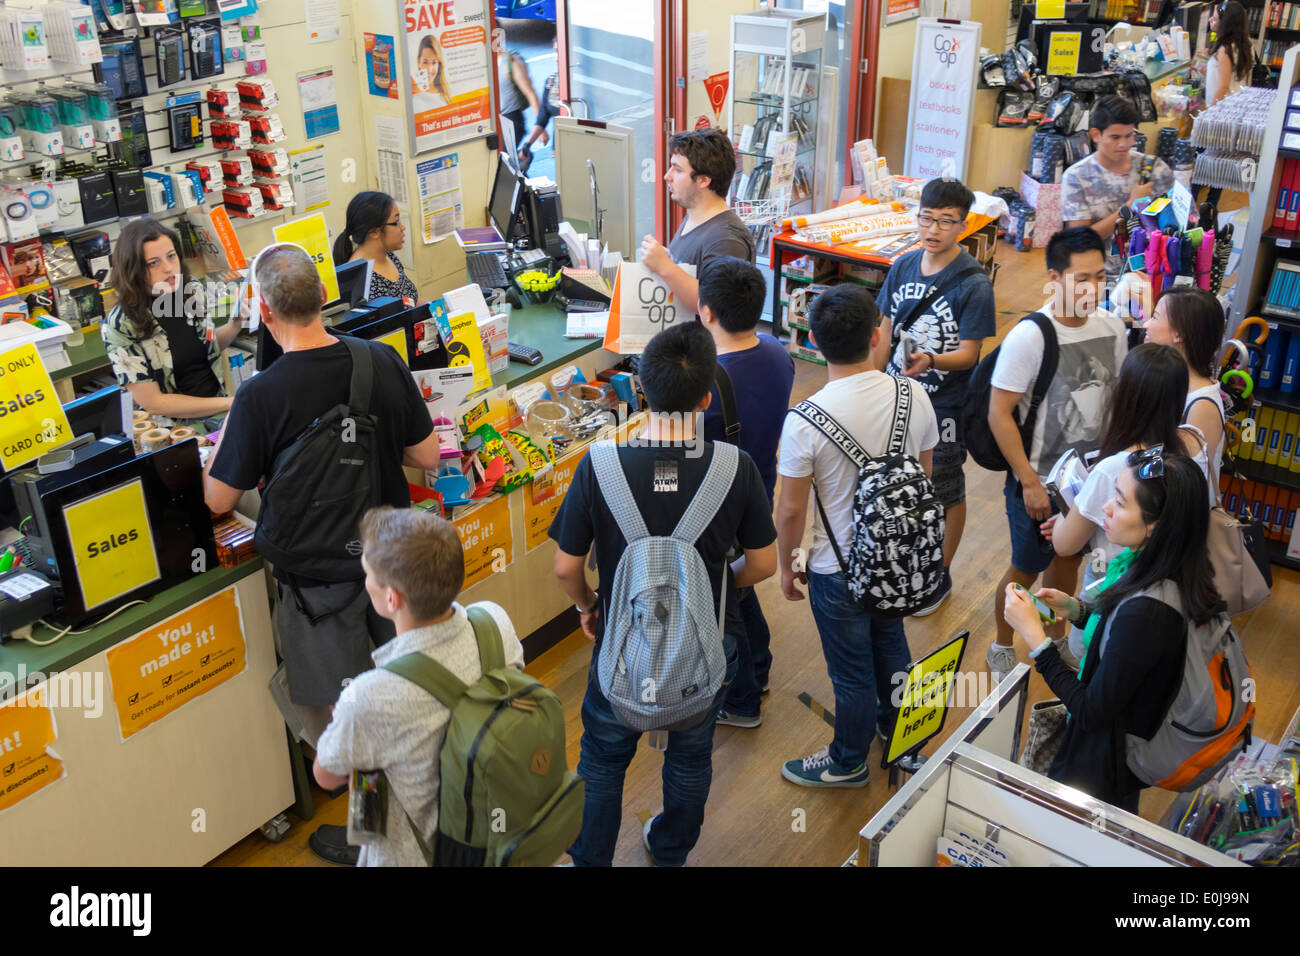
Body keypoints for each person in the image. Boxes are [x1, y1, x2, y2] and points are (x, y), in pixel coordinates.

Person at [202, 244, 442, 865]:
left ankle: (377, 840)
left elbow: (218, 497)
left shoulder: (259, 394)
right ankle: (419, 821)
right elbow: (427, 457)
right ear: (322, 298)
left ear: (261, 308)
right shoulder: (378, 361)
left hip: (317, 589)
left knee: (352, 719)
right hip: (389, 567)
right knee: (403, 693)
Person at [549, 322, 777, 866]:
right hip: (705, 646)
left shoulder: (600, 465)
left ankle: (592, 857)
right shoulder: (734, 467)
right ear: (705, 398)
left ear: (642, 389)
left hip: (619, 646)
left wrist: (588, 606)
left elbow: (565, 568)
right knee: (692, 758)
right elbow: (765, 563)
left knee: (602, 761)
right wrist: (718, 587)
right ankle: (670, 848)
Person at [775, 284, 939, 787]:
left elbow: (789, 512)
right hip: (898, 558)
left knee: (850, 672)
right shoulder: (913, 392)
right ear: (876, 335)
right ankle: (903, 740)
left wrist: (788, 564)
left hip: (835, 567)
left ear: (814, 341)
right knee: (892, 642)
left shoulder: (804, 421)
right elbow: (925, 476)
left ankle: (848, 760)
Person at [1004, 451, 1221, 812]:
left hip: (1102, 767)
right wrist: (1077, 609)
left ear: (1154, 525)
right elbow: (1120, 636)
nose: (1105, 508)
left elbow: (1091, 712)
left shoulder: (1149, 610)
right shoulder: (1152, 565)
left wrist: (1036, 640)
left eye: (1120, 502)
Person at [312, 506, 524, 867]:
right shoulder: (494, 621)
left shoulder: (369, 696)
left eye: (367, 574)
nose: (365, 582)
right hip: (502, 833)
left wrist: (350, 718)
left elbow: (327, 775)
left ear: (391, 598)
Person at [986, 227, 1128, 683]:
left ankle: (1059, 637)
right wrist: (1028, 480)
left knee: (1066, 561)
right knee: (1025, 568)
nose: (1093, 288)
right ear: (1054, 277)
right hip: (1039, 480)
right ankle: (1002, 644)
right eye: (1081, 278)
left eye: (1100, 277)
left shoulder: (1113, 328)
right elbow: (999, 414)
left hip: (1087, 482)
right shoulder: (1030, 337)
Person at [877, 177, 996, 612]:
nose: (934, 229)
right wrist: (871, 385)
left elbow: (969, 354)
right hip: (897, 394)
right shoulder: (903, 266)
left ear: (963, 226)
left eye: (946, 221)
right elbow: (884, 333)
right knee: (894, 478)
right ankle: (902, 559)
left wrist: (930, 360)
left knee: (945, 488)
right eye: (927, 218)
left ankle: (937, 577)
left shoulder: (973, 284)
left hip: (944, 403)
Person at [1044, 343, 1201, 666]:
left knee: (1093, 681)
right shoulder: (1186, 452)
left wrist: (1066, 516)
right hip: (1163, 595)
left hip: (1109, 597)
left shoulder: (1116, 468)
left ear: (1127, 397)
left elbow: (1064, 543)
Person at [697, 256, 795, 728]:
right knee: (735, 589)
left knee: (722, 598)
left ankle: (743, 699)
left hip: (719, 505)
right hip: (759, 487)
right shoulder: (778, 352)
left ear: (706, 312)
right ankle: (758, 668)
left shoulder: (708, 384)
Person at [102, 218, 241, 425]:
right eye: (153, 263)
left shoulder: (190, 289)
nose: (169, 268)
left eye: (171, 256)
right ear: (133, 269)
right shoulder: (119, 324)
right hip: (172, 430)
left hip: (220, 410)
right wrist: (231, 403)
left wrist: (236, 324)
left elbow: (207, 347)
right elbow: (154, 403)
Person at [641, 128, 756, 317]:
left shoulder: (726, 239)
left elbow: (716, 308)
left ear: (703, 180)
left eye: (677, 170)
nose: (667, 176)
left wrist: (664, 266)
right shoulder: (694, 217)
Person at [1062, 95, 1175, 285]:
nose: (1124, 144)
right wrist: (1129, 206)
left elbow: (1180, 221)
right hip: (1100, 278)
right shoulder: (1076, 177)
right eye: (1115, 137)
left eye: (1129, 136)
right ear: (1096, 135)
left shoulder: (1154, 168)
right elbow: (1080, 241)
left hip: (1152, 274)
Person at [1142, 287, 1228, 496]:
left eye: (1155, 316)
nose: (1146, 324)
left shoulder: (1202, 405)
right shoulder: (1171, 382)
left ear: (1179, 334)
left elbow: (1182, 482)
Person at [1198, 1, 1254, 209]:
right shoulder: (1242, 46)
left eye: (1215, 17)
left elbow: (1221, 87)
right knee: (1219, 170)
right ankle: (1210, 210)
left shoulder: (1224, 49)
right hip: (1234, 115)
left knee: (1202, 168)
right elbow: (1232, 80)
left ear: (1225, 22)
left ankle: (1192, 209)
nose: (1211, 20)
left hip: (1220, 115)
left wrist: (1208, 114)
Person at [332, 191, 419, 306]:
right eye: (396, 222)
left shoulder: (389, 256)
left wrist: (443, 306)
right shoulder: (360, 280)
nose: (402, 227)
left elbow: (412, 302)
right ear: (374, 232)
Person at [517, 36, 559, 173]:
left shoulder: (577, 83)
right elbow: (543, 115)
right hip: (558, 146)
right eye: (555, 51)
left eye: (560, 51)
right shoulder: (551, 82)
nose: (557, 57)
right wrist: (528, 145)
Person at [498, 47, 540, 156]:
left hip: (511, 120)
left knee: (503, 160)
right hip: (494, 121)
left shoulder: (509, 62)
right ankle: (522, 159)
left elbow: (530, 93)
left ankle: (522, 160)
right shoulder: (483, 63)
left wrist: (540, 127)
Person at [412, 34, 452, 106]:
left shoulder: (446, 93)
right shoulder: (413, 94)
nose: (429, 69)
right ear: (418, 62)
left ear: (439, 64)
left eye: (434, 63)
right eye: (425, 62)